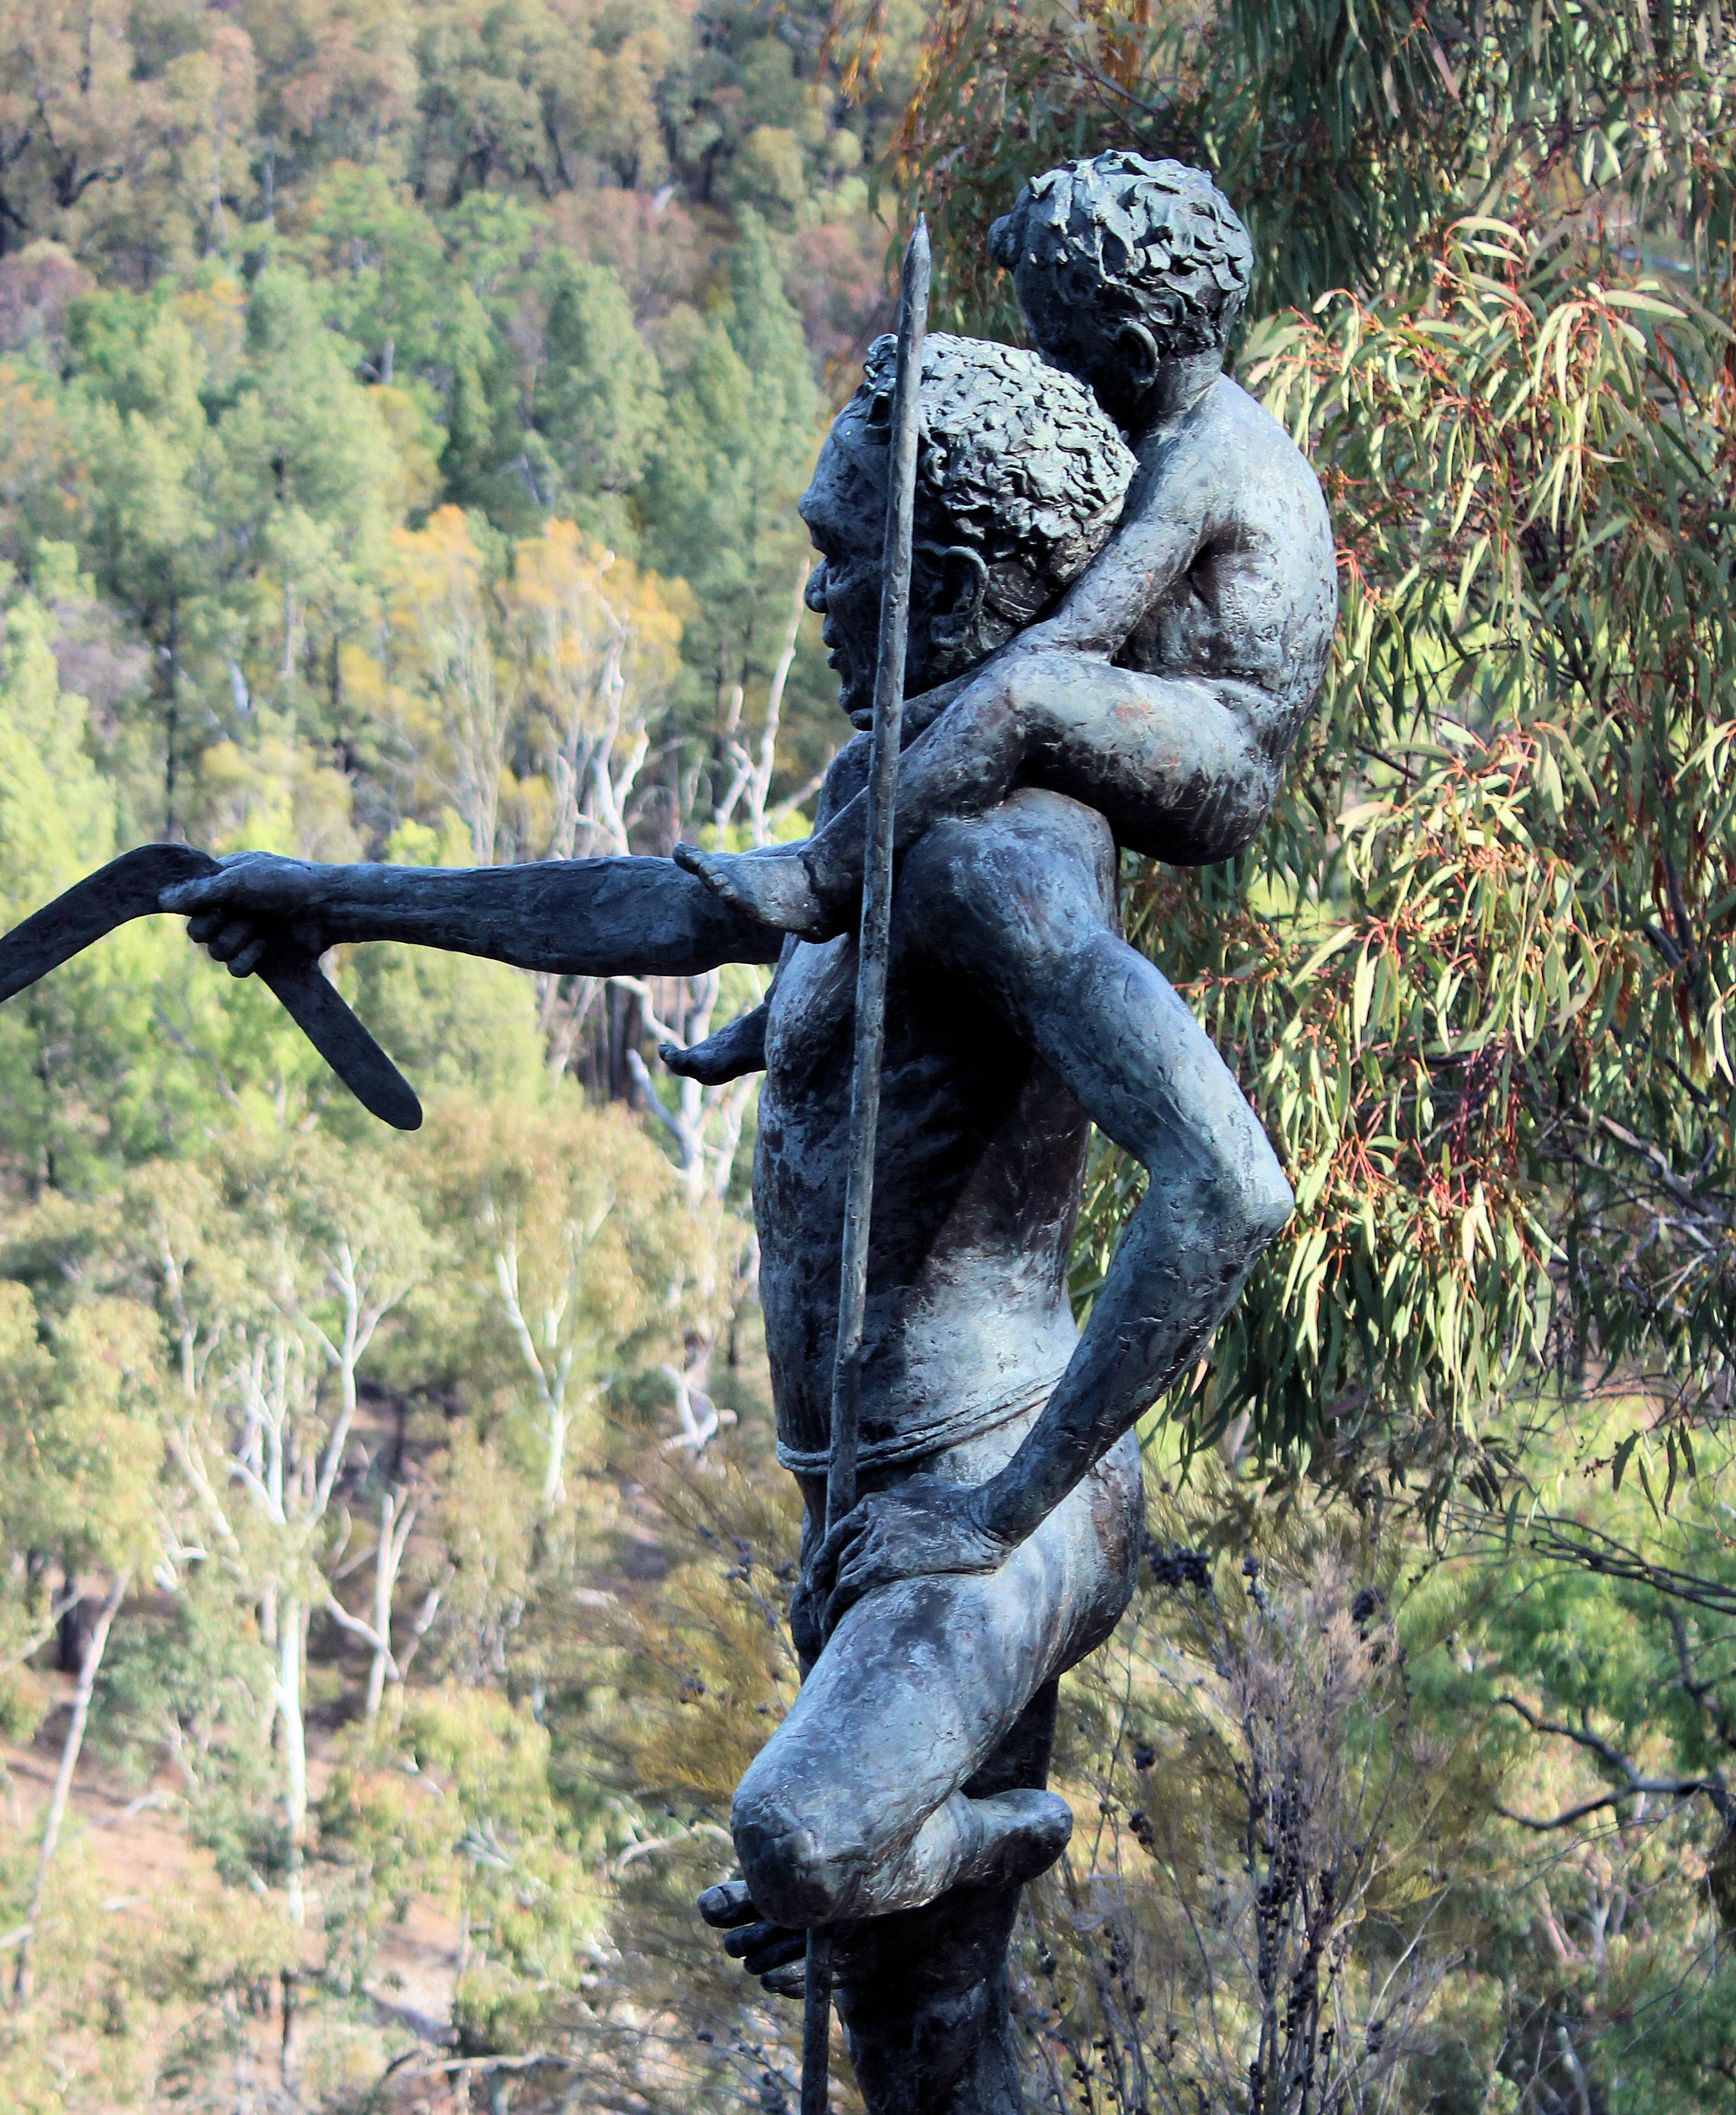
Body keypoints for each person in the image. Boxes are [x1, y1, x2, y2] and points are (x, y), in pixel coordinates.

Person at [159, 323, 1294, 2115]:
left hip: (987, 1484)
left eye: (850, 564)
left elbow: (1230, 1182)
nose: (822, 597)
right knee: (926, 2039)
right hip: (864, 1491)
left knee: (809, 1845)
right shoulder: (887, 804)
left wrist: (1001, 1512)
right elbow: (665, 905)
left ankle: (1004, 1826)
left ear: (967, 580)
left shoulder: (999, 861)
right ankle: (943, 1872)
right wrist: (339, 899)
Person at [673, 150, 1337, 945]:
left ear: (1134, 354)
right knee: (870, 761)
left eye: (1056, 347)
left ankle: (823, 879)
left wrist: (917, 710)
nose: (1048, 367)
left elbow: (1075, 640)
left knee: (1026, 697)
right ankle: (795, 1008)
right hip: (1156, 713)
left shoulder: (1203, 462)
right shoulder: (1167, 427)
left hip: (1218, 758)